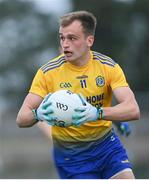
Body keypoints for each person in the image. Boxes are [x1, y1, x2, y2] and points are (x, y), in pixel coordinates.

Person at [16, 10, 140, 179]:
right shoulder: (48, 73)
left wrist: (100, 114)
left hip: (106, 146)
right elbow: (21, 118)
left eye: (72, 38)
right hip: (72, 157)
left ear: (90, 40)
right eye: (62, 38)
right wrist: (37, 114)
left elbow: (133, 109)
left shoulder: (108, 67)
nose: (65, 44)